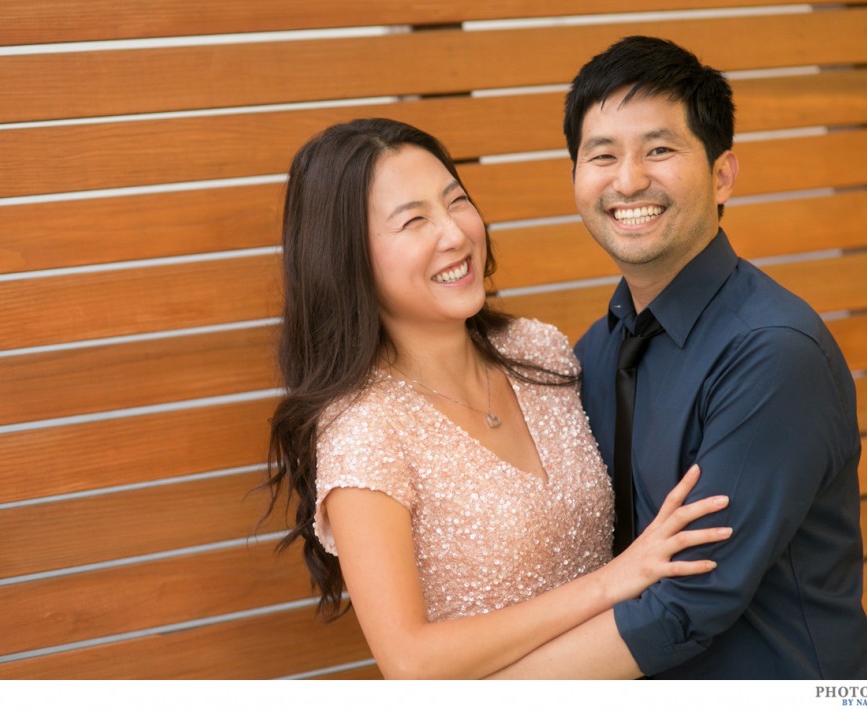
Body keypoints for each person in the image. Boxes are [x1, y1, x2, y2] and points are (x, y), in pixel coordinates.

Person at [264, 117, 734, 679]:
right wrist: (610, 583)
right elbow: (411, 662)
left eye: (455, 201)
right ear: (348, 258)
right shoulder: (363, 430)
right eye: (414, 221)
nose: (455, 234)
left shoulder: (540, 351)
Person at [501, 35, 867, 679]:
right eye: (603, 156)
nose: (629, 180)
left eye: (660, 150)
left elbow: (686, 605)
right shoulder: (598, 347)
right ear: (575, 181)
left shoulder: (772, 353)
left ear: (722, 174)